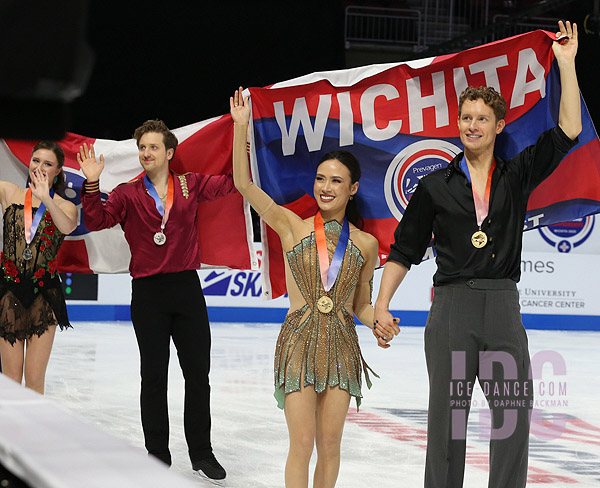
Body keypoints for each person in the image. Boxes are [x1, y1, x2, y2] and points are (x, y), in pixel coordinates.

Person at [373, 21, 581, 488]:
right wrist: (382, 303)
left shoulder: (517, 174)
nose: (472, 125)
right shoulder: (433, 187)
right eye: (466, 117)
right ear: (459, 124)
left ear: (498, 125)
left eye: (482, 118)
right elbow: (404, 250)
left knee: (511, 418)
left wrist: (565, 65)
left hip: (503, 306)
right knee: (447, 422)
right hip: (451, 309)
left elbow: (568, 129)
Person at [230, 86, 397, 488]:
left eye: (336, 181)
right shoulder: (292, 226)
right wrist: (240, 129)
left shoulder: (366, 244)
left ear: (352, 188)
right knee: (302, 442)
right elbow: (243, 184)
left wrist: (380, 320)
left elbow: (361, 306)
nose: (326, 187)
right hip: (298, 343)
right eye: (321, 178)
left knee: (330, 442)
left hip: (341, 346)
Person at [77, 120, 233, 481]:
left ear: (169, 153)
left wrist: (240, 135)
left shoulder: (190, 185)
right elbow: (97, 220)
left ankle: (201, 452)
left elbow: (234, 183)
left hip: (186, 289)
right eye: (142, 148)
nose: (146, 153)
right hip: (148, 294)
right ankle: (157, 454)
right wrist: (91, 183)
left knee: (198, 375)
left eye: (152, 147)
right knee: (154, 376)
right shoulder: (127, 193)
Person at [0, 141, 77, 394]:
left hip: (44, 295)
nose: (39, 167)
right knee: (10, 380)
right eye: (36, 160)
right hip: (9, 292)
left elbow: (66, 227)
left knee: (34, 381)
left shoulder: (65, 206)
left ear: (58, 171)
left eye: (48, 164)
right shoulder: (9, 192)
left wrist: (46, 198)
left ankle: (31, 434)